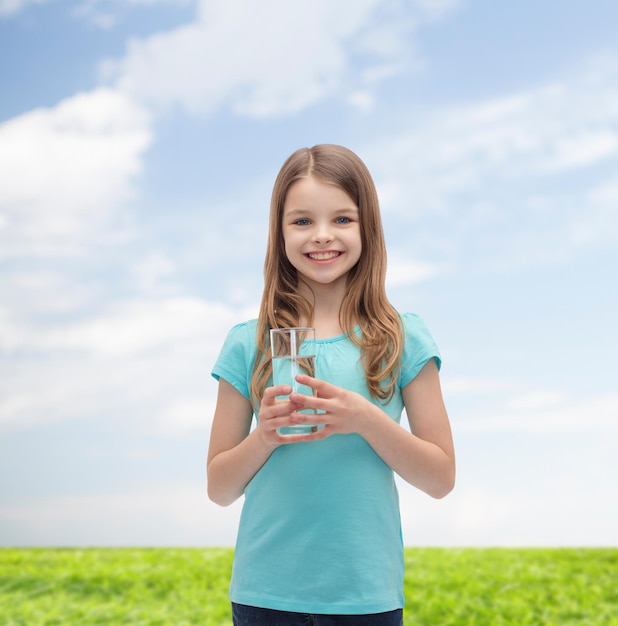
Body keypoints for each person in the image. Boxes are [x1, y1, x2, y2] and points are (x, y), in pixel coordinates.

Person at [207, 144, 455, 625]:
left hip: (364, 595)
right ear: (279, 232)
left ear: (369, 229)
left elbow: (441, 479)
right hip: (265, 594)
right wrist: (266, 435)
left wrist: (364, 418)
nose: (322, 236)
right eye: (302, 221)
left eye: (342, 219)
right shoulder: (248, 342)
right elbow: (219, 488)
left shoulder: (402, 338)